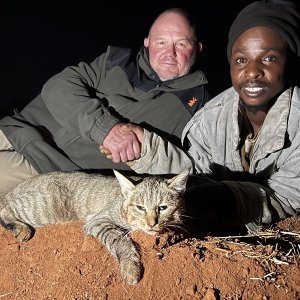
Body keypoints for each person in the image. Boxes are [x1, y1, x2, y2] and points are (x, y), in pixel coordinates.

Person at [103, 0, 300, 232]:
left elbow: (289, 195)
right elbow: (193, 172)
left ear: (291, 62)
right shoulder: (209, 119)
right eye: (241, 60)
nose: (252, 71)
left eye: (269, 58)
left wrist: (231, 198)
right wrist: (147, 147)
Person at [0, 8, 210, 194]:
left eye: (181, 44)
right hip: (20, 127)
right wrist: (106, 129)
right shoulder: (116, 61)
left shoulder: (201, 108)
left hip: (47, 166)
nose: (169, 53)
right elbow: (59, 85)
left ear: (198, 48)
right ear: (147, 43)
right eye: (161, 42)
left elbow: (196, 170)